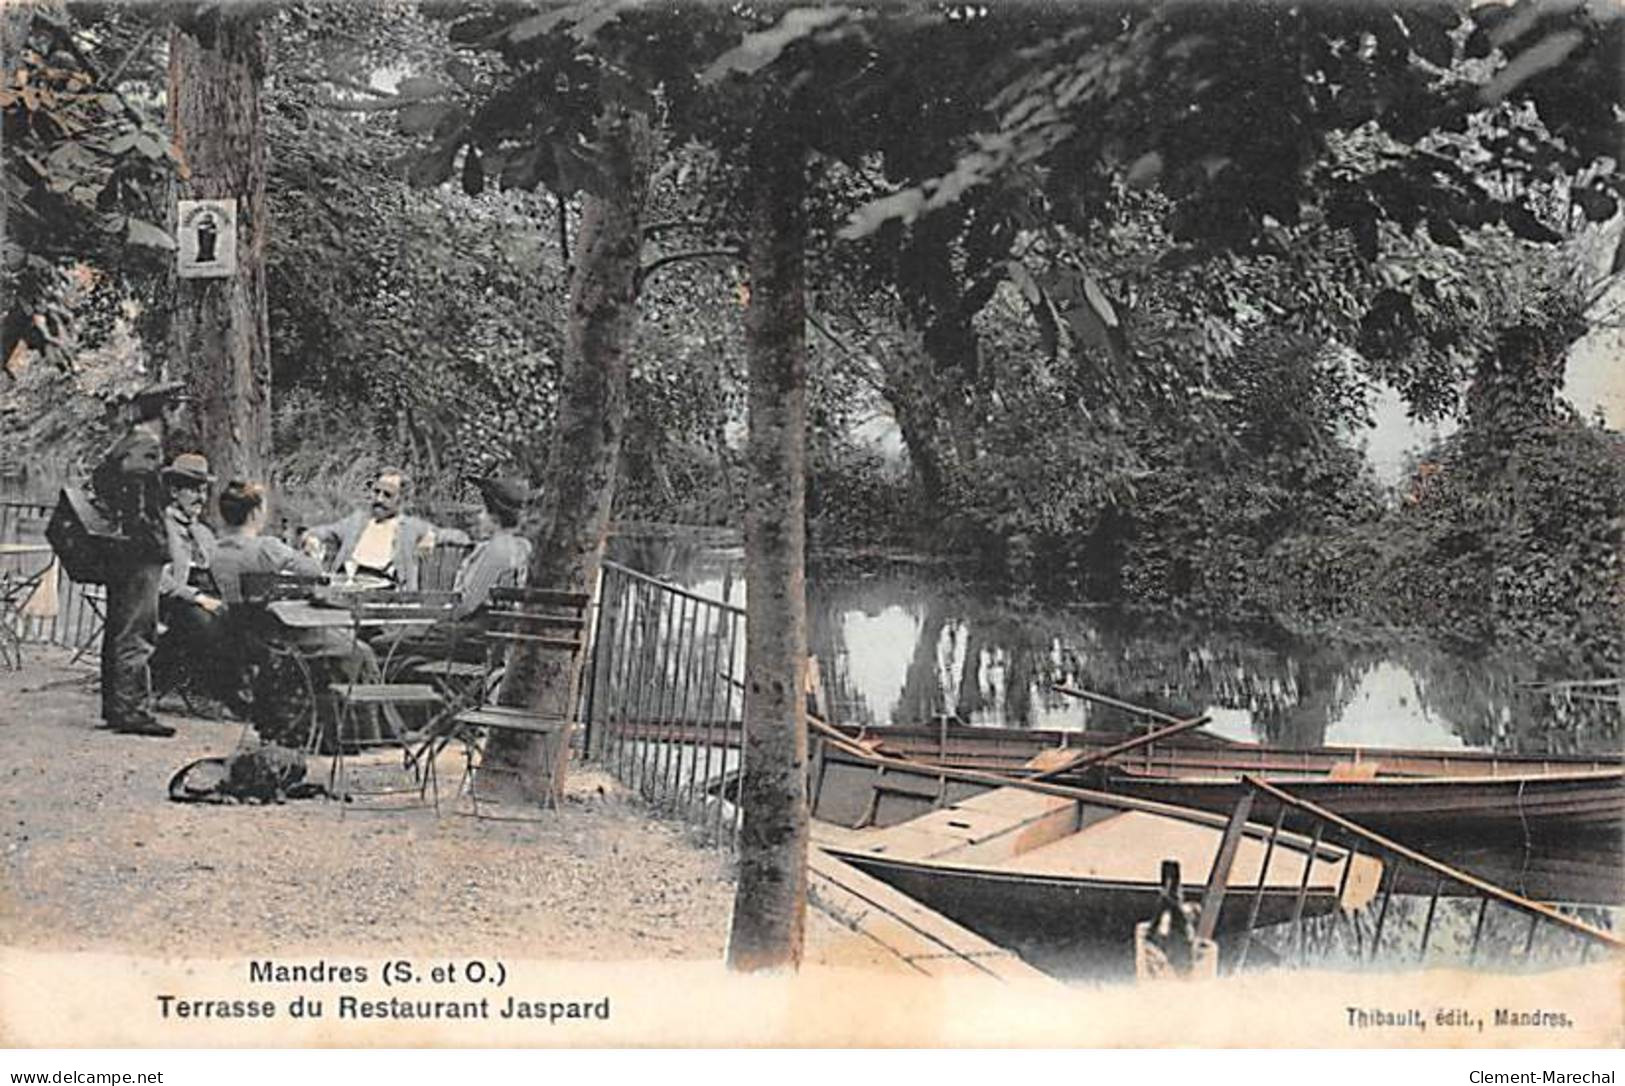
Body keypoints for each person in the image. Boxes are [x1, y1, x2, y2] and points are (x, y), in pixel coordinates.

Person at [213, 480, 400, 748]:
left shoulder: (217, 550)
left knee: (343, 641)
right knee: (359, 651)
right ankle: (368, 732)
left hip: (249, 633)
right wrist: (313, 553)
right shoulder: (267, 546)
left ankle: (333, 728)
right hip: (282, 634)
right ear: (255, 514)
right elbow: (313, 572)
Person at [90, 380, 187, 737]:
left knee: (119, 627)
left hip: (121, 550)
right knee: (137, 629)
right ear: (165, 411)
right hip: (139, 553)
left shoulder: (125, 442)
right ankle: (133, 711)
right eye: (177, 409)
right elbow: (135, 481)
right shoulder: (146, 445)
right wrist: (146, 529)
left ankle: (117, 706)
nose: (180, 417)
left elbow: (102, 479)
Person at [377, 476, 533, 673]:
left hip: (471, 637)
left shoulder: (498, 550)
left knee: (382, 643)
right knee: (395, 646)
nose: (478, 517)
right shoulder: (520, 546)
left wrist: (430, 619)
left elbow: (467, 605)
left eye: (483, 512)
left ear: (495, 517)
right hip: (483, 636)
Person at [298, 468, 464, 591]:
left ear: (403, 499)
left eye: (387, 495)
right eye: (376, 492)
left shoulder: (411, 527)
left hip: (386, 597)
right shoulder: (356, 521)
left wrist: (432, 536)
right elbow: (322, 531)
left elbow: (460, 537)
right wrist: (312, 537)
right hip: (344, 589)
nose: (379, 499)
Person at [151, 453, 225, 697]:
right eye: (193, 490)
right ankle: (164, 676)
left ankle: (227, 690)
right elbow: (158, 579)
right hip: (168, 603)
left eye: (203, 491)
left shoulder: (203, 533)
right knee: (204, 623)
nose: (201, 498)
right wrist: (196, 597)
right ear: (174, 491)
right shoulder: (160, 527)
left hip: (207, 600)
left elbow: (220, 571)